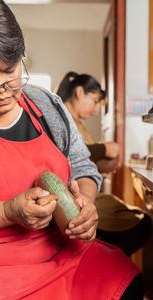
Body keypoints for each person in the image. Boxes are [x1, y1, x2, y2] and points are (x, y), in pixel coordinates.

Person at [0, 1, 143, 299]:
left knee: (122, 277)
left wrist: (87, 207)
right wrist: (6, 212)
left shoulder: (46, 104)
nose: (1, 87)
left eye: (10, 69)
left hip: (58, 250)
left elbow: (83, 167)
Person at [56, 71, 152, 256]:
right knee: (141, 224)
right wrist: (103, 149)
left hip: (82, 192)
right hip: (72, 194)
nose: (95, 109)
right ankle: (99, 259)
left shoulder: (77, 122)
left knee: (136, 216)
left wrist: (103, 165)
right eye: (94, 101)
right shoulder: (61, 116)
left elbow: (80, 162)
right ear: (79, 93)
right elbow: (67, 156)